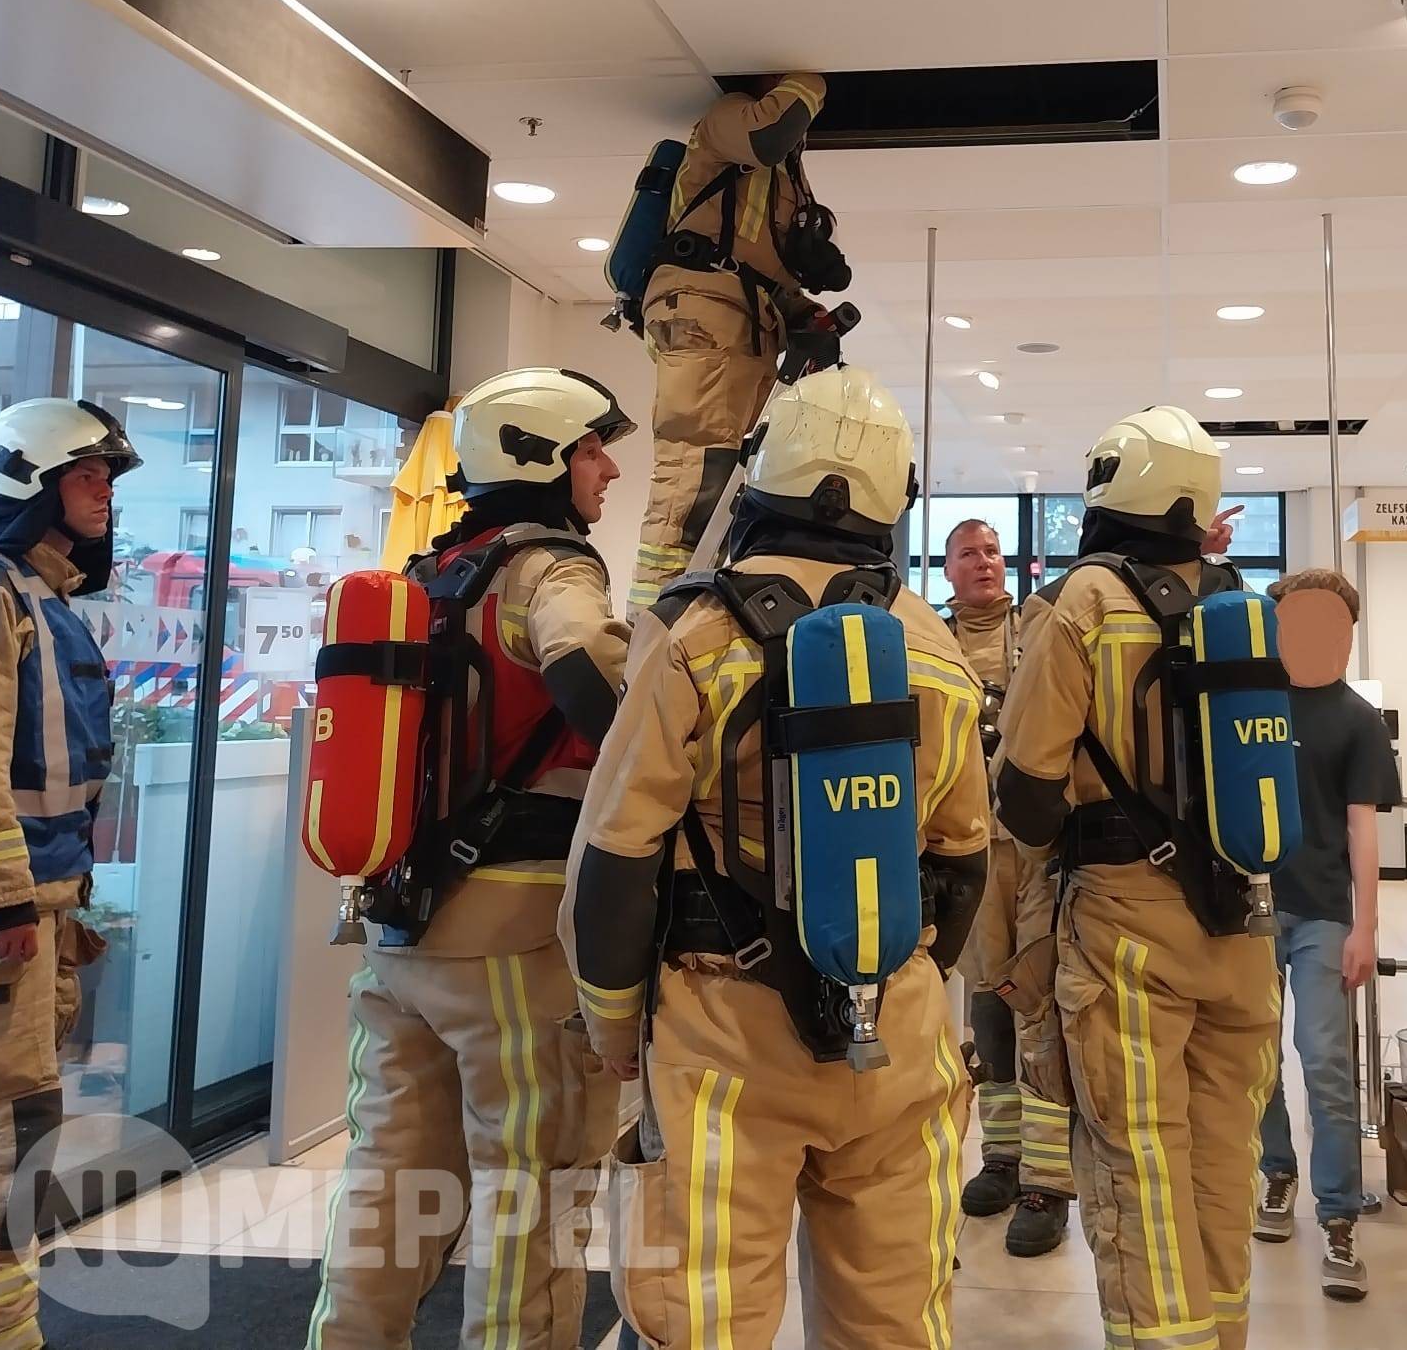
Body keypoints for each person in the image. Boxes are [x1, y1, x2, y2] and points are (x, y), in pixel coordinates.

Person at [562, 364, 990, 1350]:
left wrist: (616, 1027)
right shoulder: (932, 645)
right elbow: (965, 860)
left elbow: (616, 859)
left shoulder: (695, 635)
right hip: (899, 1032)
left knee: (702, 1319)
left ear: (763, 478)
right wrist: (898, 975)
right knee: (896, 1321)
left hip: (725, 1036)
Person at [308, 368, 635, 1350]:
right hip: (515, 945)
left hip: (399, 930)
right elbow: (584, 668)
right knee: (528, 1197)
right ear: (543, 459)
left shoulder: (426, 576)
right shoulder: (555, 570)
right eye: (592, 449)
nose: (610, 467)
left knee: (387, 1184)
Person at [995, 405, 1279, 1350]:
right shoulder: (1238, 603)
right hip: (1240, 922)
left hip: (1125, 923)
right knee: (1223, 1158)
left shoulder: (1082, 604)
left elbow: (1029, 796)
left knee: (1137, 1161)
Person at [0, 398, 139, 1350]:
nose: (104, 494)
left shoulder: (45, 597)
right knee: (6, 1133)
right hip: (8, 918)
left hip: (41, 911)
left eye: (110, 479)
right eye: (84, 475)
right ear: (29, 485)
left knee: (28, 1121)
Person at [628, 73, 851, 615]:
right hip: (704, 308)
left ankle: (702, 609)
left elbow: (767, 274)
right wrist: (812, 82)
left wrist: (807, 314)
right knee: (696, 466)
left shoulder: (791, 182)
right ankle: (652, 622)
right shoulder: (726, 118)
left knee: (735, 480)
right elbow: (769, 134)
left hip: (748, 323)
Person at [1248, 570, 1400, 1303]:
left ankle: (1338, 1215)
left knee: (1326, 1064)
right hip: (1247, 910)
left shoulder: (1356, 719)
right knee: (1252, 1059)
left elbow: (1362, 828)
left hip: (1319, 914)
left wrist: (1365, 926)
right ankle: (1275, 1173)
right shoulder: (1248, 705)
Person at [940, 517, 1074, 1257]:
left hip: (1038, 847)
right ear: (950, 570)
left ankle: (1047, 1186)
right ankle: (1002, 1157)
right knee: (988, 1007)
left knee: (1039, 1003)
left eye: (993, 552)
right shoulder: (926, 639)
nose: (985, 563)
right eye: (970, 554)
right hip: (969, 849)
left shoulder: (1042, 627)